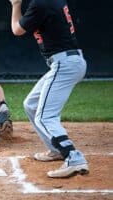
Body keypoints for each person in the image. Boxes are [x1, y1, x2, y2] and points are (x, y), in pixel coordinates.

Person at [8, 0, 89, 178]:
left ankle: (73, 157)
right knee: (31, 104)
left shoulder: (40, 3)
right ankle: (56, 150)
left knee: (45, 116)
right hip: (67, 61)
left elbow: (17, 30)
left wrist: (15, 5)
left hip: (64, 63)